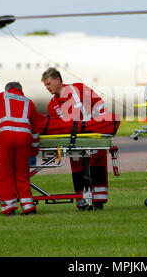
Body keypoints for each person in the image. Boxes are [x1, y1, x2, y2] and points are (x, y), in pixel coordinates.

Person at [41, 68, 114, 210]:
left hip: (92, 137)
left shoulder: (79, 89)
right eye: (46, 85)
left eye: (49, 84)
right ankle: (81, 201)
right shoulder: (52, 105)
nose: (47, 88)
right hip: (73, 142)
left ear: (58, 80)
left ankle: (98, 201)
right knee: (78, 169)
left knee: (97, 166)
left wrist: (99, 127)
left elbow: (98, 105)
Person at [0, 82, 40, 216]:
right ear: (21, 90)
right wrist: (34, 150)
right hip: (24, 137)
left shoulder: (0, 97)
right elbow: (35, 130)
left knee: (5, 173)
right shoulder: (29, 102)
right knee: (22, 173)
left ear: (7, 89)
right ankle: (28, 207)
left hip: (5, 136)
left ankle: (9, 208)